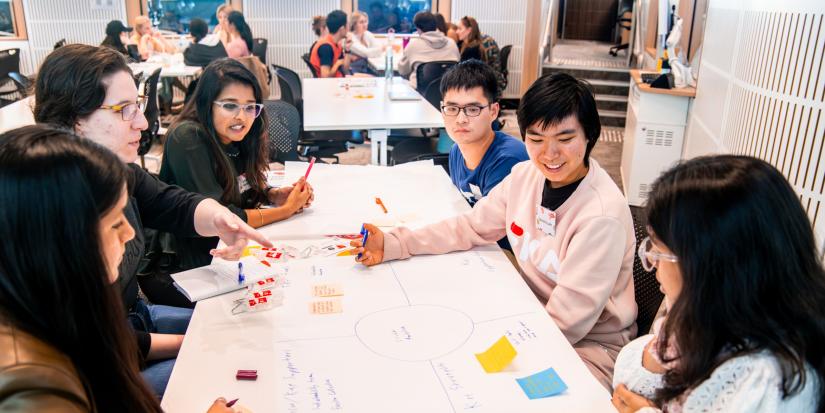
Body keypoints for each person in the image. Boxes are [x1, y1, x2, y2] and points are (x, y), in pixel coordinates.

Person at [352, 72, 636, 389]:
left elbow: (565, 323)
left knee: (483, 387)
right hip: (526, 312)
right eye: (537, 139)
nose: (550, 154)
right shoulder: (525, 175)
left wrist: (492, 359)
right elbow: (471, 227)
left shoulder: (600, 217)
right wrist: (393, 244)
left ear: (590, 135)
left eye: (565, 139)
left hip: (587, 348)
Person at [32, 44, 272, 397]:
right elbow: (95, 346)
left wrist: (221, 219)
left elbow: (169, 201)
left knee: (249, 335)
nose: (143, 122)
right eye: (123, 110)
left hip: (135, 319)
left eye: (138, 105)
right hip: (103, 367)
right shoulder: (51, 214)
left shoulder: (115, 171)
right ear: (74, 120)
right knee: (231, 369)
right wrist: (189, 344)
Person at [0, 125, 235, 413]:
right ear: (56, 240)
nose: (129, 233)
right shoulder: (34, 387)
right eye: (114, 223)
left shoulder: (53, 303)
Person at [611, 155, 825, 412]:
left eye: (659, 250)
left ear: (708, 266)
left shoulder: (771, 382)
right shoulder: (713, 316)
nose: (652, 262)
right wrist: (665, 345)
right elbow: (626, 385)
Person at [160, 59, 313, 275]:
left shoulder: (238, 136)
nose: (241, 116)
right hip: (186, 265)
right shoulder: (187, 138)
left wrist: (273, 194)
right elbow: (223, 217)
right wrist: (284, 211)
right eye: (230, 105)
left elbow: (242, 186)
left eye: (250, 107)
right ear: (207, 103)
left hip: (227, 251)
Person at [442, 59, 527, 206]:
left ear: (493, 112)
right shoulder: (457, 150)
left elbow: (491, 226)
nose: (461, 119)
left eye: (473, 109)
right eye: (452, 109)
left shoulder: (507, 161)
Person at [397, 11, 459, 89]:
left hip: (419, 94)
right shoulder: (452, 43)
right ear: (436, 25)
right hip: (446, 93)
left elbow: (402, 71)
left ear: (418, 29)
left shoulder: (413, 45)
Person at [455, 16, 506, 92]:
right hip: (486, 83)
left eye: (460, 28)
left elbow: (467, 76)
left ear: (469, 30)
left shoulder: (472, 50)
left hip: (480, 87)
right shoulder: (471, 44)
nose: (456, 31)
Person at [309, 9, 351, 78]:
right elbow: (325, 77)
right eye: (347, 25)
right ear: (342, 28)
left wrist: (348, 50)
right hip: (330, 85)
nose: (349, 28)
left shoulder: (336, 44)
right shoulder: (326, 47)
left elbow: (345, 69)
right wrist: (337, 64)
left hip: (338, 79)